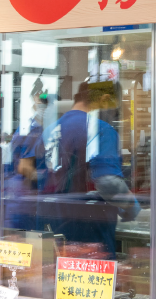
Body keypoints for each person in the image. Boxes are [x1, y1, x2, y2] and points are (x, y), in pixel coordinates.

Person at [36, 80, 137, 257]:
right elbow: (108, 182)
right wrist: (131, 207)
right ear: (105, 100)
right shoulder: (100, 129)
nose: (115, 114)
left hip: (57, 224)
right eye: (115, 108)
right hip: (92, 229)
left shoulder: (50, 130)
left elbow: (40, 176)